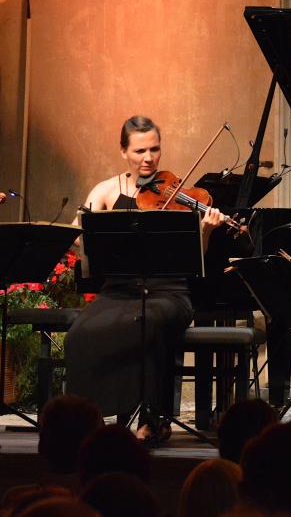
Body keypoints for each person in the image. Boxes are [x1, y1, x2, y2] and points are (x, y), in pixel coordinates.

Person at [65, 115, 222, 443]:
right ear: (124, 152)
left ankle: (151, 420)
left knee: (146, 321)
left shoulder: (177, 193)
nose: (148, 158)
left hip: (170, 293)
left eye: (154, 149)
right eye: (139, 151)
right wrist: (90, 238)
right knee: (79, 333)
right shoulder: (106, 190)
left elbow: (195, 259)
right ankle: (86, 418)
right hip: (119, 291)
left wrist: (204, 231)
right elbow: (77, 235)